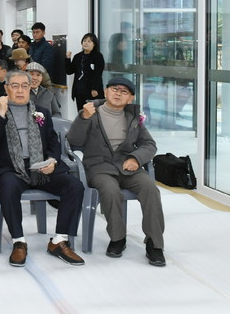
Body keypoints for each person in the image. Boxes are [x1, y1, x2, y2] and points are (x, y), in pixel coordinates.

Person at [0, 70, 85, 267]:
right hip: (12, 168)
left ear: (31, 88)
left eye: (24, 86)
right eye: (15, 86)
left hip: (40, 166)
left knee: (74, 186)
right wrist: (1, 113)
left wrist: (52, 161)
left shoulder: (42, 112)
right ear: (6, 88)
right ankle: (18, 241)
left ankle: (59, 240)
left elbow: (53, 142)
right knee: (8, 187)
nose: (20, 90)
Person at [67, 77, 165, 266]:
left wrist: (136, 158)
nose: (118, 93)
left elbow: (149, 144)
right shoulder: (90, 112)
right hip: (99, 167)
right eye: (114, 89)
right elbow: (74, 141)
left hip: (127, 166)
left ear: (130, 98)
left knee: (151, 189)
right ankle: (118, 238)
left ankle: (154, 243)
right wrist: (83, 118)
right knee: (110, 191)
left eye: (124, 91)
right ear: (105, 92)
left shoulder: (133, 117)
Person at [65, 33, 106, 112]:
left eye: (89, 41)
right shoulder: (78, 56)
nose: (86, 43)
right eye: (84, 41)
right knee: (81, 113)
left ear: (94, 44)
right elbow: (69, 71)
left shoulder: (98, 56)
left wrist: (94, 88)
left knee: (93, 114)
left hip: (92, 92)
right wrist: (67, 59)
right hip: (79, 91)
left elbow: (98, 73)